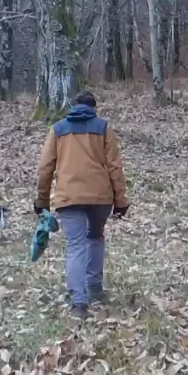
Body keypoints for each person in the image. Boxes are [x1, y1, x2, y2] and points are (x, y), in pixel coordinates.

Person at [35, 90, 129, 318]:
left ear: (73, 106)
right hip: (100, 198)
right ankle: (95, 288)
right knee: (95, 237)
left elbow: (45, 168)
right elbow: (114, 167)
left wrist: (42, 200)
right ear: (94, 108)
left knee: (75, 246)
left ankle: (79, 303)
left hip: (69, 198)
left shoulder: (58, 129)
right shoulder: (103, 127)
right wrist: (121, 200)